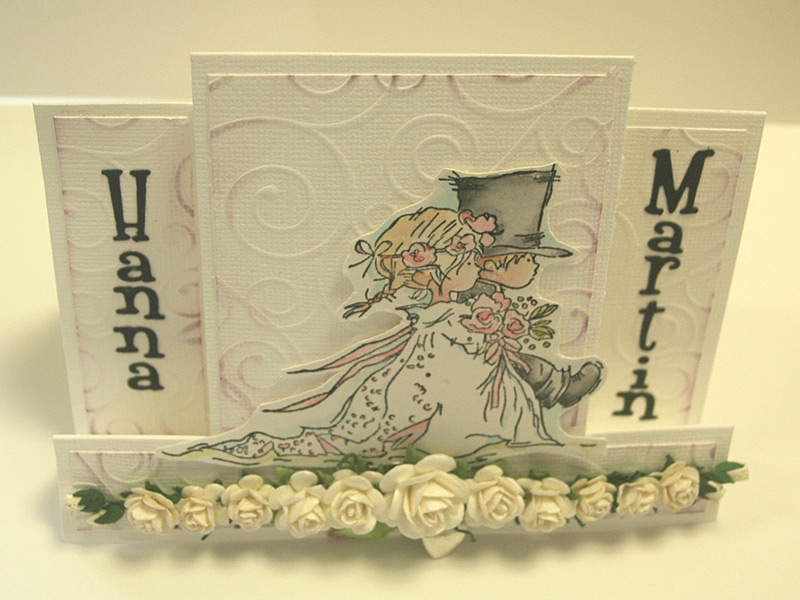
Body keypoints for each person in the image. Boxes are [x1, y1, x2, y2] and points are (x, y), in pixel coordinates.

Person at [166, 206, 559, 463]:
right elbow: (431, 383)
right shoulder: (450, 324)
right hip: (420, 403)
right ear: (439, 266)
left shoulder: (449, 317)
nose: (479, 265)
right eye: (471, 258)